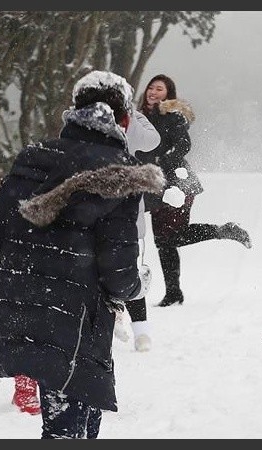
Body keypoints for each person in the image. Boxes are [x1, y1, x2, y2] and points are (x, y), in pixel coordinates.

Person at [0, 70, 164, 438]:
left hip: (23, 305)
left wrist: (40, 255)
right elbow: (118, 270)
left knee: (63, 423)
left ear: (74, 110)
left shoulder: (35, 155)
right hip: (78, 317)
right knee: (71, 428)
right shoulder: (122, 171)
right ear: (124, 119)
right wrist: (135, 286)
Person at [135, 73, 252, 307]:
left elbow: (183, 145)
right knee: (164, 240)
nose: (153, 92)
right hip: (154, 185)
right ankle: (174, 292)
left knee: (172, 236)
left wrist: (163, 160)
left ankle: (223, 231)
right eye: (151, 87)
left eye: (159, 89)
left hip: (178, 182)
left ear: (168, 94)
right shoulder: (139, 118)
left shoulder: (173, 116)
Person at [113, 108, 162, 352]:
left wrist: (133, 114)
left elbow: (153, 140)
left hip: (117, 211)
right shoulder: (126, 120)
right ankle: (133, 327)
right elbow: (152, 139)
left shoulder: (126, 120)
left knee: (127, 271)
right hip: (117, 212)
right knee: (128, 270)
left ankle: (136, 328)